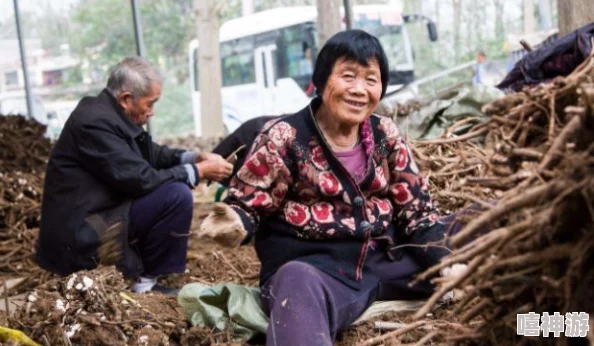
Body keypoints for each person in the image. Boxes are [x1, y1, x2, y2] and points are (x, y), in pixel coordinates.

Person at [198, 30, 456, 345]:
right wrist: (236, 220)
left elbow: (416, 210)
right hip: (319, 271)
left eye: (371, 80)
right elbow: (250, 201)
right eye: (348, 76)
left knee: (487, 220)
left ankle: (529, 323)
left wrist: (446, 260)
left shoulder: (385, 133)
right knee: (295, 282)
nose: (359, 90)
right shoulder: (284, 137)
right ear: (321, 82)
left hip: (387, 260)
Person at [36, 57, 233, 294]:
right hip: (83, 230)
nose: (152, 112)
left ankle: (145, 273)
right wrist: (197, 172)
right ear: (126, 99)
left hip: (102, 210)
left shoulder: (110, 114)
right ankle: (145, 284)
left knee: (174, 188)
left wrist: (192, 158)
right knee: (176, 195)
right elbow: (141, 179)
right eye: (150, 104)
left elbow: (152, 153)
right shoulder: (95, 123)